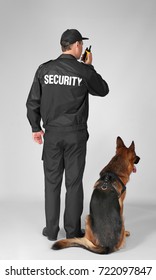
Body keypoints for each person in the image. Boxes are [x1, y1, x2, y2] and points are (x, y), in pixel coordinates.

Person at [26, 29, 109, 241]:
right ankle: (72, 231)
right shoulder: (83, 71)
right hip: (75, 136)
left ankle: (51, 231)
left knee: (51, 183)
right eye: (80, 44)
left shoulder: (44, 70)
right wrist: (89, 67)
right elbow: (103, 90)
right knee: (73, 183)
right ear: (78, 45)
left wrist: (36, 128)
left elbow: (32, 102)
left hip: (52, 135)